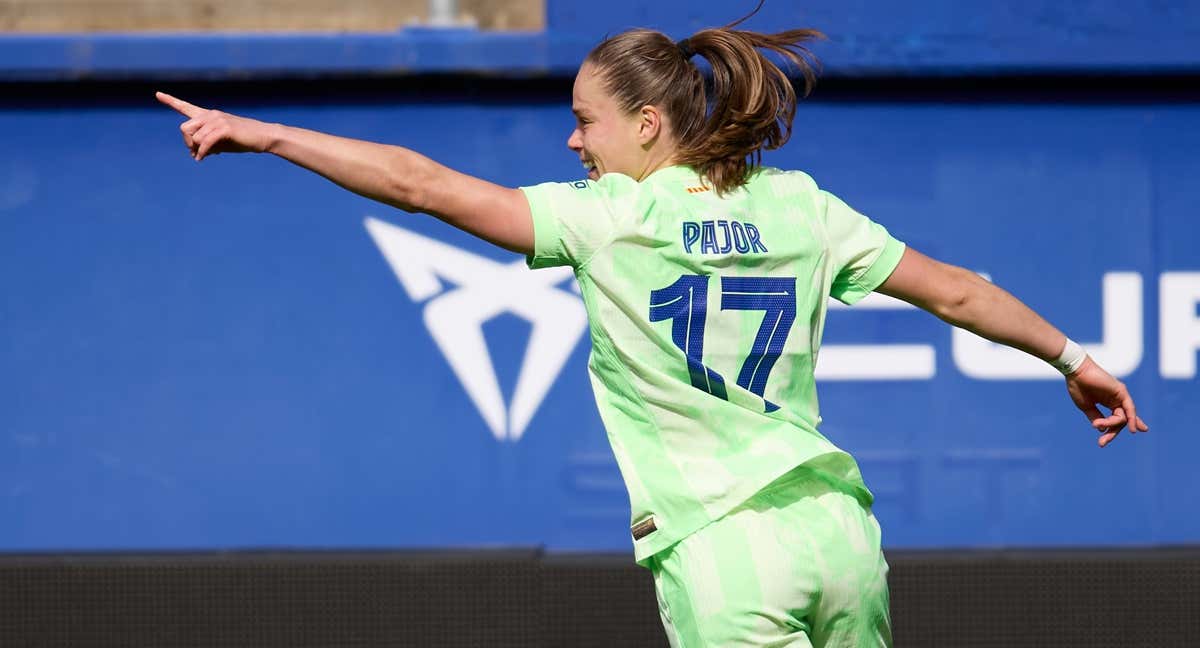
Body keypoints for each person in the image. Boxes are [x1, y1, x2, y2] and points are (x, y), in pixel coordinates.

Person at [156, 14, 1148, 648]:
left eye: (584, 120)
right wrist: (1074, 357)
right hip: (841, 539)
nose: (572, 140)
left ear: (645, 125)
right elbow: (960, 295)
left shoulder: (608, 220)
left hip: (725, 555)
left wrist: (270, 132)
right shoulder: (801, 206)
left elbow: (421, 186)